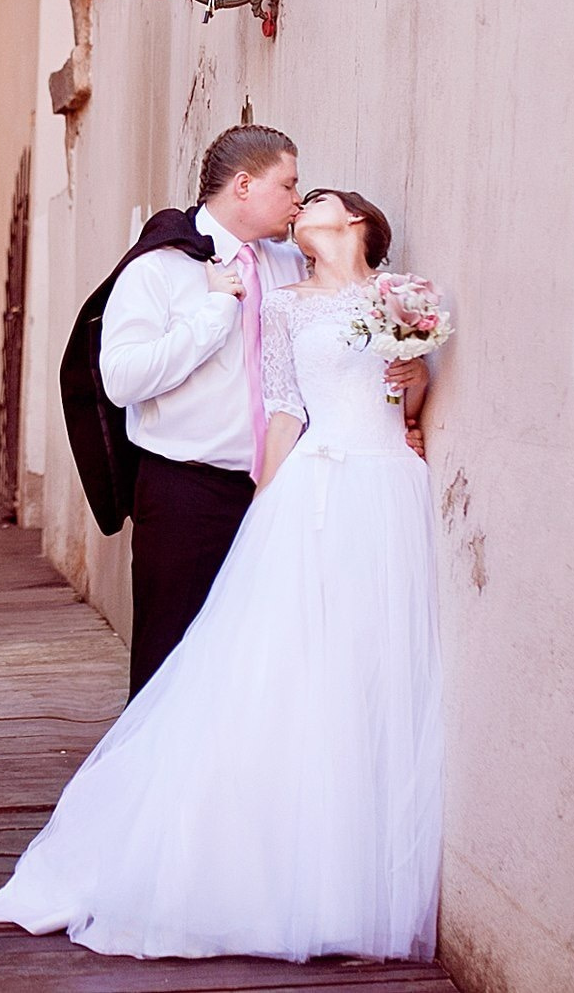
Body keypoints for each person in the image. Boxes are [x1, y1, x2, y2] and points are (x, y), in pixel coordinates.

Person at [0, 187, 444, 961]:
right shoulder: (285, 303)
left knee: (372, 669)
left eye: (314, 197)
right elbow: (286, 407)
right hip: (319, 485)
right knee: (282, 667)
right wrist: (268, 504)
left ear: (357, 221)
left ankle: (350, 866)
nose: (299, 205)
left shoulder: (404, 298)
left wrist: (414, 387)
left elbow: (412, 385)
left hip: (389, 486)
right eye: (293, 192)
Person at [61, 124, 424, 693]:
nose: (298, 200)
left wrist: (396, 417)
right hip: (188, 492)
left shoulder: (287, 263)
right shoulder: (158, 268)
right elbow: (121, 380)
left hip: (287, 495)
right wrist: (211, 315)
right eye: (289, 185)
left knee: (264, 666)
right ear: (245, 185)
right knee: (170, 656)